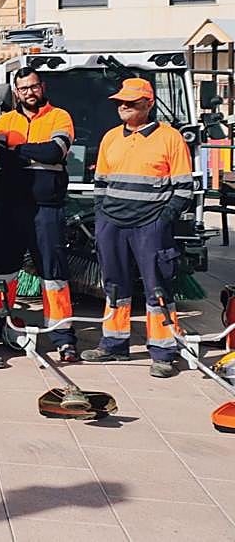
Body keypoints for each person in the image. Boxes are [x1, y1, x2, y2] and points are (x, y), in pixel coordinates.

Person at [82, 77, 194, 378]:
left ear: (148, 104)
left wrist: (162, 219)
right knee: (114, 285)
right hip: (112, 223)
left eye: (131, 102)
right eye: (120, 102)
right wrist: (102, 217)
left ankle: (164, 351)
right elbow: (100, 184)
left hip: (150, 225)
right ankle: (114, 344)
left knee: (157, 286)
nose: (124, 106)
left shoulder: (170, 138)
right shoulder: (110, 138)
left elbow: (184, 187)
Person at [0, 68, 78, 360]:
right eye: (23, 88)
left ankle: (62, 334)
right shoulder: (5, 120)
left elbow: (54, 152)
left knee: (53, 272)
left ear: (42, 86)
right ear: (16, 92)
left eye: (33, 86)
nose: (29, 92)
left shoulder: (60, 117)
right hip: (9, 206)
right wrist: (30, 151)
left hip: (46, 208)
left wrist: (16, 150)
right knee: (4, 270)